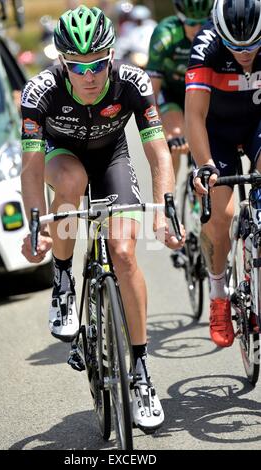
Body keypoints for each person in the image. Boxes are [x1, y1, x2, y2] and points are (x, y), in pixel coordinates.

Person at [20, 5, 185, 433]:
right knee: (71, 181)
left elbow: (157, 152)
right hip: (63, 157)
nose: (89, 75)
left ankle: (142, 370)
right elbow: (32, 170)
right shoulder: (40, 92)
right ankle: (62, 280)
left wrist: (166, 211)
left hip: (113, 155)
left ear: (111, 55)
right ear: (62, 62)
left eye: (98, 63)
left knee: (125, 254)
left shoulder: (133, 83)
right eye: (77, 66)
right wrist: (34, 224)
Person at [185, 0, 261, 348]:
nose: (245, 55)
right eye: (236, 47)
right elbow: (194, 118)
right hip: (216, 131)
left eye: (253, 46)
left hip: (256, 124)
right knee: (221, 215)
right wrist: (205, 164)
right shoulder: (206, 46)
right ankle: (218, 294)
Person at [147, 0, 214, 177]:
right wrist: (162, 132)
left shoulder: (216, 32)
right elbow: (151, 93)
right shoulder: (166, 34)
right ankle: (171, 195)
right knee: (176, 139)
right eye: (191, 23)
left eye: (203, 22)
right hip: (172, 94)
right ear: (180, 18)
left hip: (203, 93)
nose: (198, 28)